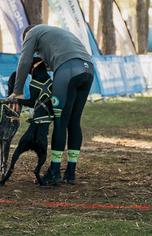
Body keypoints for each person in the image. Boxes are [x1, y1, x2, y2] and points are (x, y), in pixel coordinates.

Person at [9, 24, 94, 185]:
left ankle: (55, 170)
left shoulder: (32, 33)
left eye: (36, 51)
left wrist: (18, 90)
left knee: (61, 123)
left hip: (68, 70)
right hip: (88, 69)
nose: (36, 54)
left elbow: (25, 60)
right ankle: (71, 172)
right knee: (74, 121)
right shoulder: (54, 32)